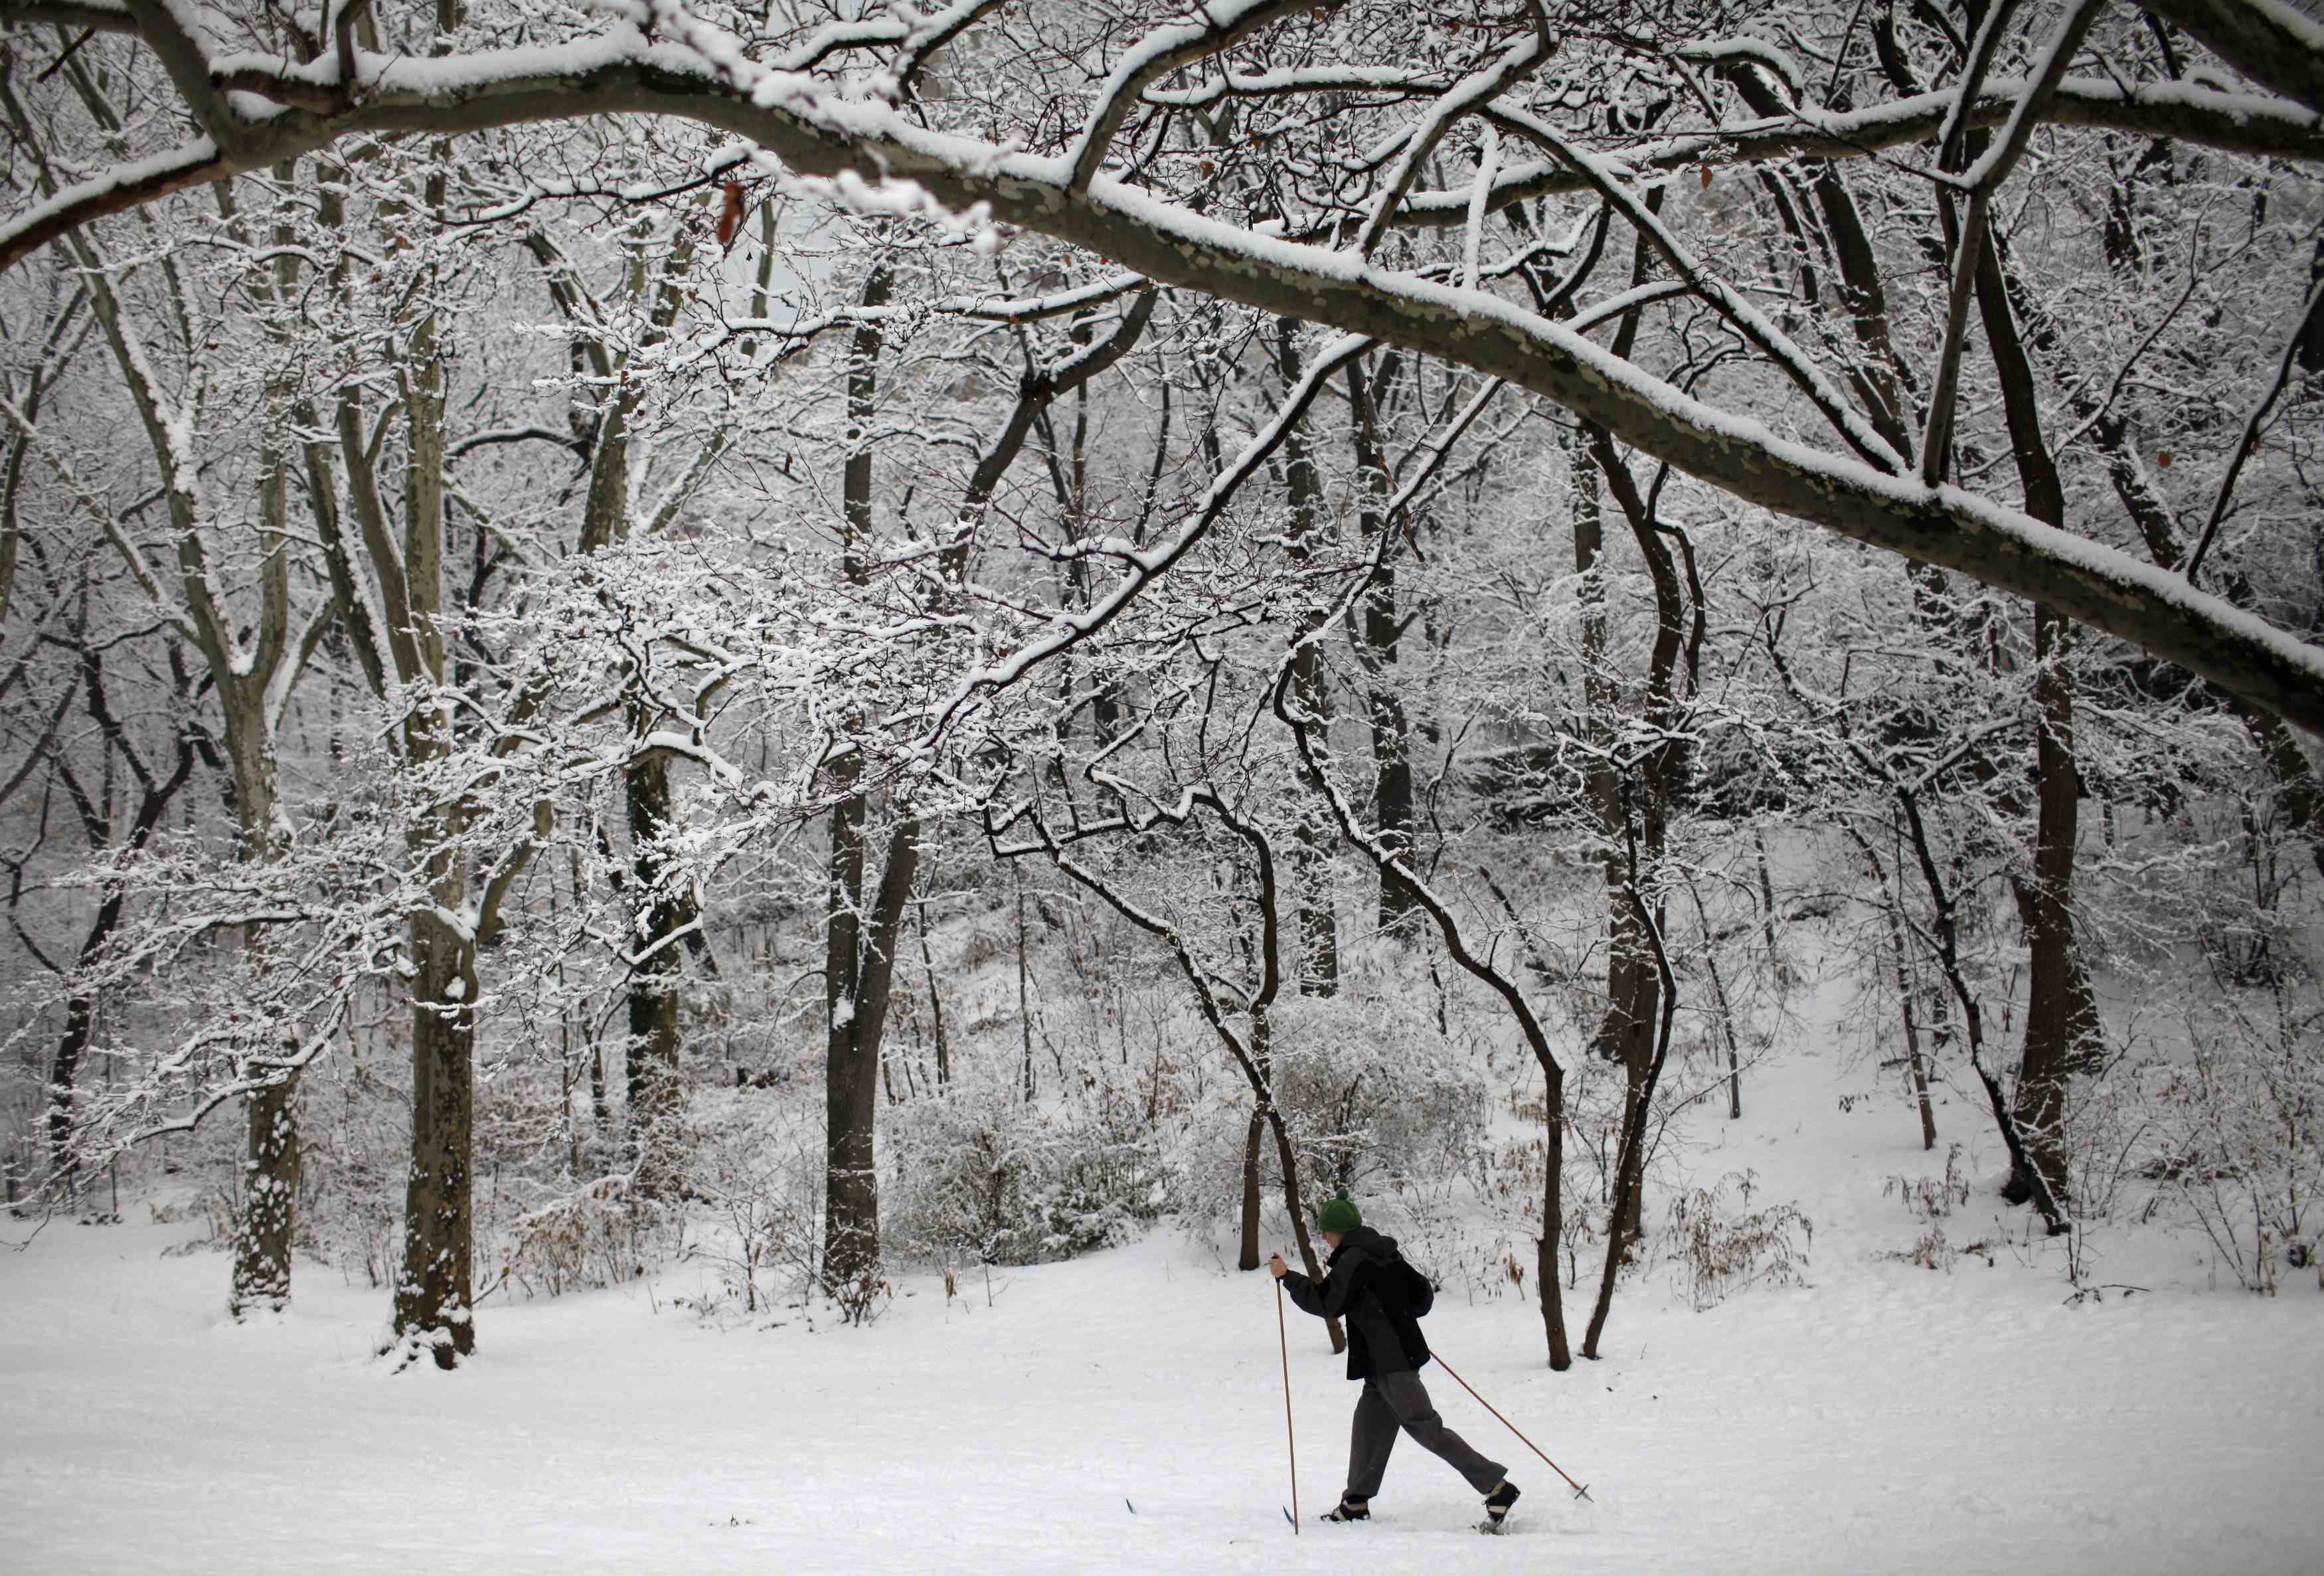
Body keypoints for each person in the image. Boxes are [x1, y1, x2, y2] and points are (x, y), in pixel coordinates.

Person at [1270, 1191, 1521, 1530]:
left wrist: (1288, 1277)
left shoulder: (1353, 1259)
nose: (1325, 1238)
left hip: (1391, 1361)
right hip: (1384, 1361)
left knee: (1426, 1428)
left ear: (1339, 1232)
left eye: (1327, 1232)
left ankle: (1497, 1488)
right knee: (1369, 1428)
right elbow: (1422, 1296)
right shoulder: (1385, 1253)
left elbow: (1327, 1302)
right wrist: (1395, 1315)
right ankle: (1355, 1502)